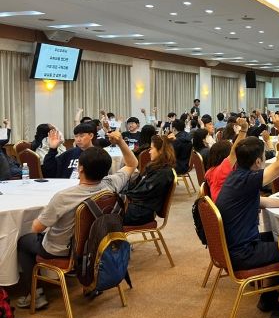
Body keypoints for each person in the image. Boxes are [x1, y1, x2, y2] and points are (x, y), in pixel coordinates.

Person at [16, 131, 137, 308]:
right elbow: (132, 163)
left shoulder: (63, 197)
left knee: (23, 241)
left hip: (62, 251)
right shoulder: (111, 184)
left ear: (80, 168)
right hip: (94, 246)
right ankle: (89, 284)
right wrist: (120, 142)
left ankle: (34, 294)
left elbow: (37, 228)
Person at [215, 114, 279, 318]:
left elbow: (258, 201)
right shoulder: (248, 178)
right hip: (243, 252)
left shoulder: (236, 175)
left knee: (274, 237)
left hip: (232, 247)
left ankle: (267, 297)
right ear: (258, 162)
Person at [123, 134, 176, 225]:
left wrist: (124, 194)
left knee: (106, 214)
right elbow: (140, 188)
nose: (149, 152)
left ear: (160, 151)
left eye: (151, 149)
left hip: (141, 212)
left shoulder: (163, 173)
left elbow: (142, 192)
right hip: (139, 206)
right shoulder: (156, 167)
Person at [205, 119, 249, 200]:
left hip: (222, 202)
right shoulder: (221, 170)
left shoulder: (211, 171)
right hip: (228, 204)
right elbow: (234, 151)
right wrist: (244, 130)